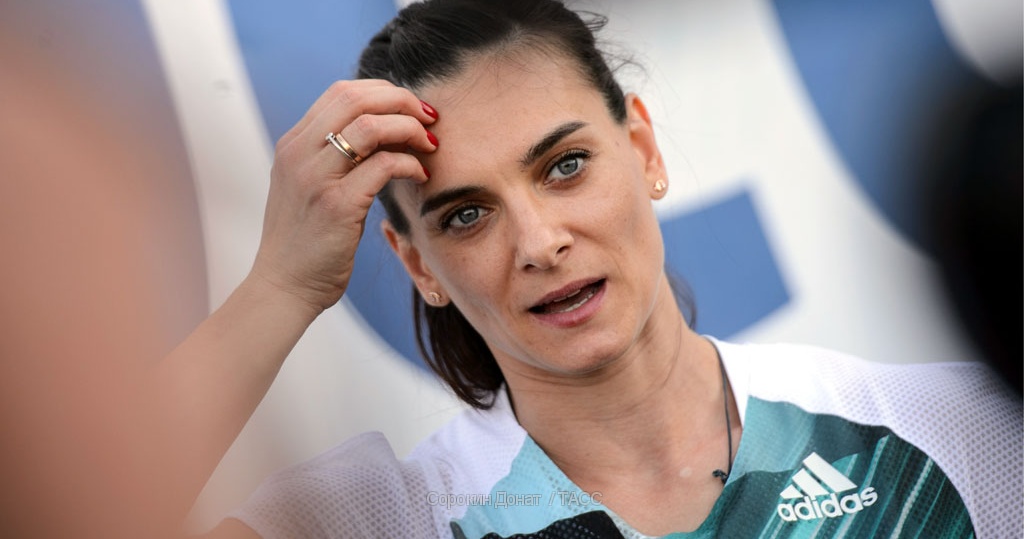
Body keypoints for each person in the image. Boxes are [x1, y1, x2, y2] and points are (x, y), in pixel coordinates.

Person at [165, 1, 1022, 537]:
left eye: (565, 165)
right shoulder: (384, 519)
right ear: (416, 262)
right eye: (466, 214)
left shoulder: (949, 432)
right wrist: (279, 287)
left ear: (643, 149)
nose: (538, 241)